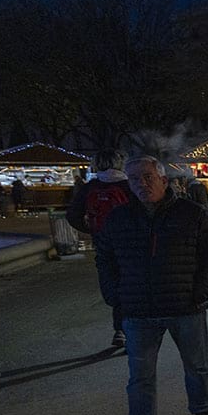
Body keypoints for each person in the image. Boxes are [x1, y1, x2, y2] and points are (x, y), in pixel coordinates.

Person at [96, 155, 208, 415]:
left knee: (196, 367)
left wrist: (199, 292)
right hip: (139, 312)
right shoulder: (119, 219)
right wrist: (116, 296)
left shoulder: (192, 214)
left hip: (186, 308)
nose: (141, 183)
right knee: (140, 379)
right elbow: (104, 258)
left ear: (164, 180)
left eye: (147, 177)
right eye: (134, 179)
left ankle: (203, 410)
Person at [66, 148, 133, 347]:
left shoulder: (90, 187)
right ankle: (131, 329)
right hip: (130, 244)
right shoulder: (129, 186)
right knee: (132, 283)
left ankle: (120, 329)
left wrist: (91, 229)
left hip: (103, 243)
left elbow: (72, 215)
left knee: (112, 282)